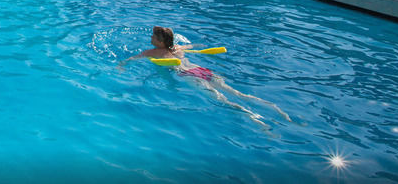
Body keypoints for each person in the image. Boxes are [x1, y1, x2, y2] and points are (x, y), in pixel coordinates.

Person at [122, 26, 290, 126]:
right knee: (238, 94)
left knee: (224, 101)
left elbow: (130, 60)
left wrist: (121, 65)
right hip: (201, 70)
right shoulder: (177, 48)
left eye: (153, 36)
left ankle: (255, 119)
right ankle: (276, 109)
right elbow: (193, 46)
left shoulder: (152, 52)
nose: (150, 37)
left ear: (160, 42)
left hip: (188, 75)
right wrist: (198, 45)